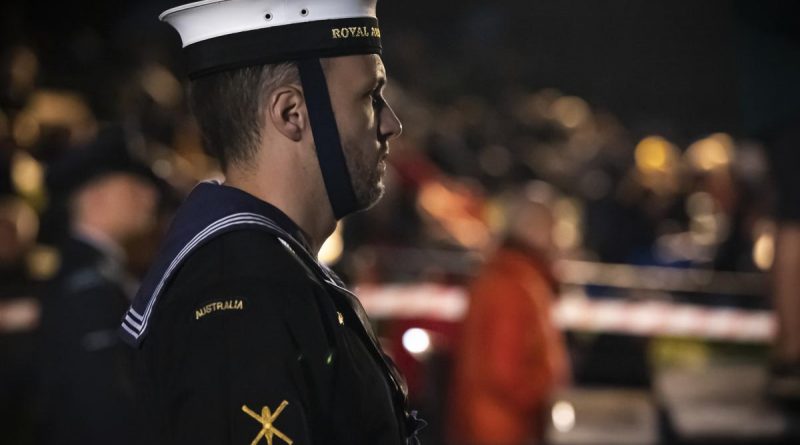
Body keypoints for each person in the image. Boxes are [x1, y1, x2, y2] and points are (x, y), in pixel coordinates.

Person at [119, 1, 423, 444]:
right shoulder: (239, 286)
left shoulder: (264, 270)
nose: (391, 124)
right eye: (369, 97)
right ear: (291, 113)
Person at [37, 125, 161, 445]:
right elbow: (104, 409)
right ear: (96, 197)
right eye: (134, 185)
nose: (150, 196)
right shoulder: (87, 287)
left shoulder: (97, 275)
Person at [449, 183, 571, 445]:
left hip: (494, 423)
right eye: (555, 228)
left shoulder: (512, 276)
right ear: (535, 228)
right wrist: (545, 387)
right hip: (500, 428)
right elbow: (503, 371)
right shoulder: (513, 284)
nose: (560, 240)